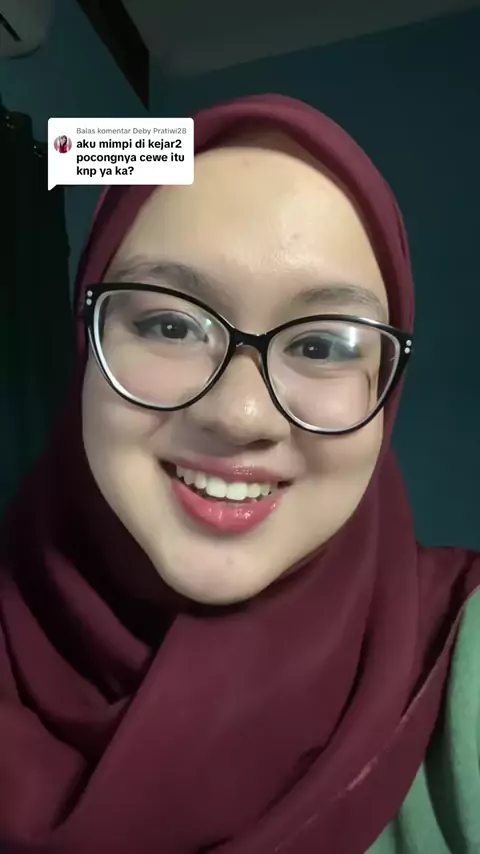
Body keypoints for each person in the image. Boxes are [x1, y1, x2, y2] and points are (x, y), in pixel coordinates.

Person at [1, 94, 479, 854]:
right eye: (169, 324)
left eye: (322, 345)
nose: (240, 414)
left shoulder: (464, 653)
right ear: (86, 344)